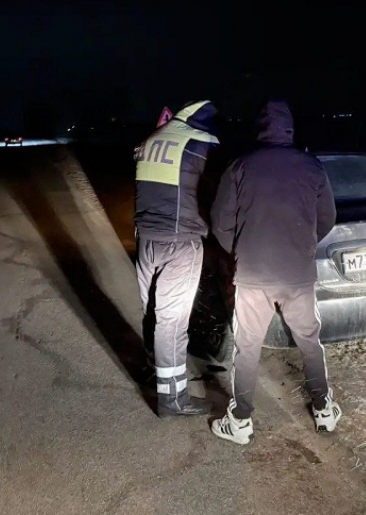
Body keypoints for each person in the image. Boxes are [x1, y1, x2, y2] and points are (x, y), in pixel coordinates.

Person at [209, 99, 341, 444]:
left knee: (247, 346)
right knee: (310, 342)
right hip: (298, 275)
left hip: (253, 275)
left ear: (260, 129)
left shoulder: (240, 166)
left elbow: (220, 222)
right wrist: (302, 247)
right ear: (290, 128)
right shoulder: (312, 167)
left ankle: (240, 423)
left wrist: (240, 251)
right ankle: (324, 411)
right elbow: (327, 218)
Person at [134, 99, 219, 416]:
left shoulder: (150, 140)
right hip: (181, 242)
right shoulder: (197, 144)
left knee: (151, 312)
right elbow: (212, 193)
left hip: (147, 239)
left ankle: (154, 372)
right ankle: (173, 399)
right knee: (172, 321)